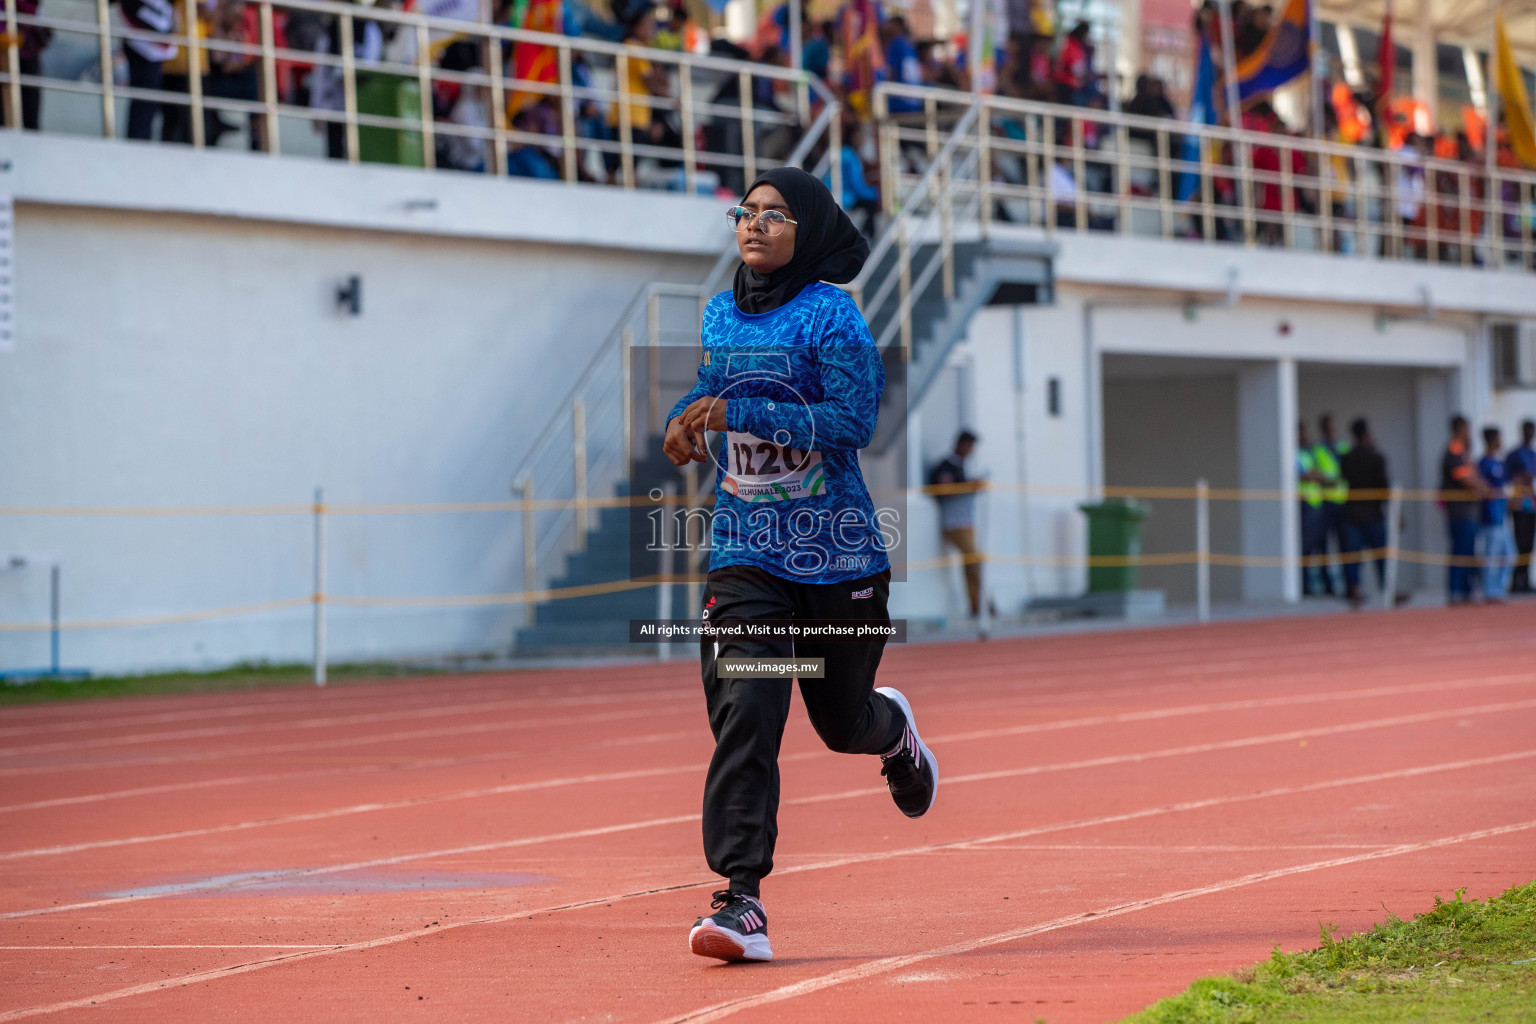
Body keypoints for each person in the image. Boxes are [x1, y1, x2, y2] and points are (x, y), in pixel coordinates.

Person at [662, 168, 937, 964]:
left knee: (839, 722)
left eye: (774, 215)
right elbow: (719, 390)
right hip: (745, 552)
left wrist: (734, 410)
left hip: (837, 556)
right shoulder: (720, 313)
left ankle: (894, 735)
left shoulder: (832, 316)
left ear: (807, 230)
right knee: (747, 709)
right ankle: (741, 900)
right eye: (744, 213)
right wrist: (688, 420)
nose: (753, 225)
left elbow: (853, 420)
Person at [1339, 418, 1402, 607]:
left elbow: (1343, 481)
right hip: (1373, 514)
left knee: (1352, 557)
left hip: (1351, 513)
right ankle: (1388, 590)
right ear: (1367, 434)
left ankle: (1354, 591)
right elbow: (1384, 488)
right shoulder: (1376, 457)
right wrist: (1397, 514)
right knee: (1381, 555)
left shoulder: (1346, 457)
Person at [928, 430, 987, 624]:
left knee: (971, 561)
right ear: (961, 445)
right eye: (969, 447)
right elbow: (944, 493)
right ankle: (982, 603)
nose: (971, 451)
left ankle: (978, 604)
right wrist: (970, 486)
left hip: (965, 522)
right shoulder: (946, 466)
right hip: (954, 523)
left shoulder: (960, 466)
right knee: (973, 559)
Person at [117, 0, 178, 140]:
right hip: (139, 46)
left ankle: (141, 139)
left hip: (153, 49)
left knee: (150, 101)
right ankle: (138, 140)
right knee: (143, 100)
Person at [1440, 415, 1482, 604]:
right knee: (1460, 552)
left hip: (1469, 512)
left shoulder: (1464, 452)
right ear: (1459, 429)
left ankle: (1466, 590)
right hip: (1459, 512)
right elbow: (1466, 479)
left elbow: (1475, 476)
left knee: (1468, 553)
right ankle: (1456, 591)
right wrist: (1483, 489)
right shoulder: (1454, 451)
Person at [1311, 414, 1349, 595]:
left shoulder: (1343, 447)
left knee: (1345, 545)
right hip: (1326, 502)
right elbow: (1314, 474)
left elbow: (1350, 471)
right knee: (1324, 546)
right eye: (1327, 427)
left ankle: (1349, 585)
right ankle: (1328, 586)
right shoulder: (1318, 450)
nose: (1331, 430)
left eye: (1333, 426)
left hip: (1343, 502)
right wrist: (1328, 481)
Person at [1478, 426, 1515, 603]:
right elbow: (1484, 490)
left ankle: (1499, 590)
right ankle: (1489, 592)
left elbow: (1507, 487)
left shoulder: (1501, 463)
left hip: (1503, 517)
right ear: (1493, 440)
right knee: (1491, 557)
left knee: (1510, 555)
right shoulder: (1483, 464)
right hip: (1490, 518)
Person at [1505, 419, 1536, 593]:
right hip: (1519, 506)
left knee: (1529, 545)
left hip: (1531, 505)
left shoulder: (1533, 454)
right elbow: (1509, 478)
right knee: (1519, 544)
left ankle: (1525, 580)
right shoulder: (1515, 454)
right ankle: (1515, 581)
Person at [1297, 421, 1328, 596]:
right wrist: (1313, 475)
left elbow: (1319, 474)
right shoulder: (1295, 453)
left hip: (1316, 505)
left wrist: (1314, 475)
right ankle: (1304, 587)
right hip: (1304, 505)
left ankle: (1323, 585)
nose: (1305, 435)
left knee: (1320, 548)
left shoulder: (1310, 452)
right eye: (1301, 432)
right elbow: (1306, 476)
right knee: (1305, 549)